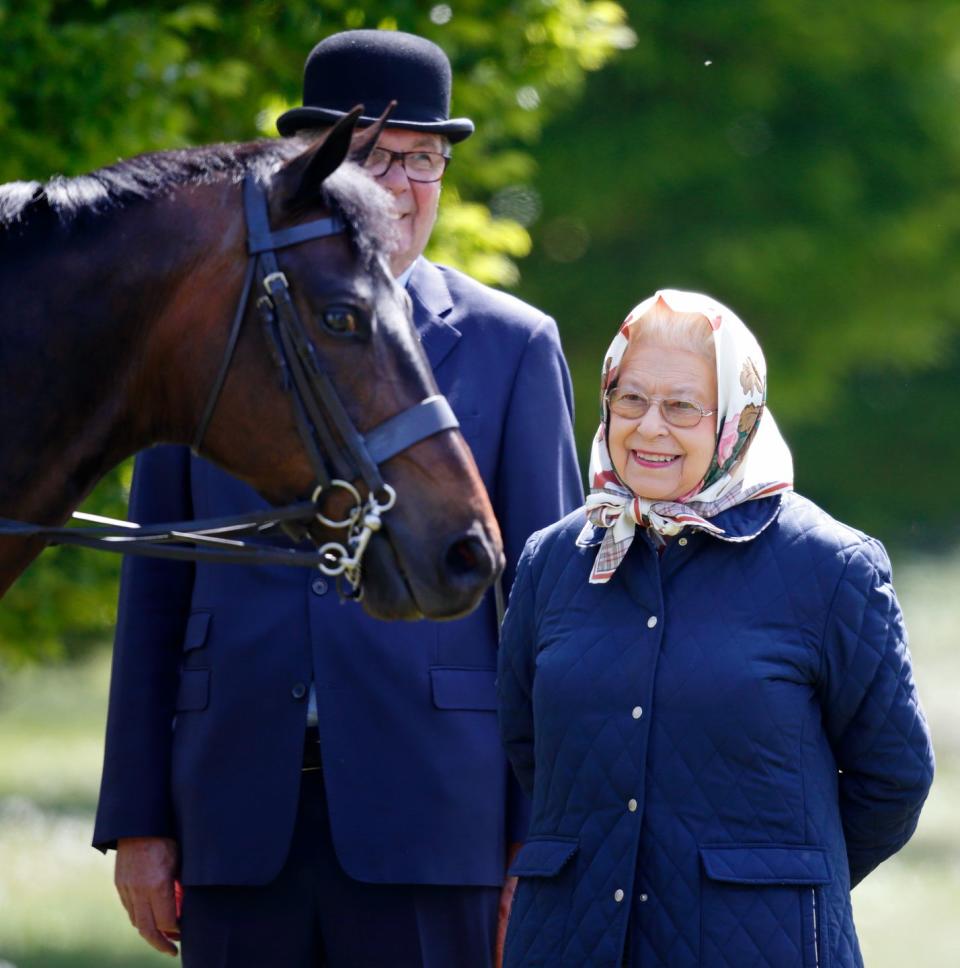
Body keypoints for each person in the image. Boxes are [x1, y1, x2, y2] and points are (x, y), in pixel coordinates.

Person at [93, 29, 583, 968]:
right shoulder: (201, 335)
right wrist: (138, 822)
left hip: (440, 818)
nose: (400, 186)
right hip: (231, 814)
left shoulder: (512, 344)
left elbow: (545, 613)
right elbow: (155, 583)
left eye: (424, 160)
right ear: (308, 170)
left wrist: (540, 838)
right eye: (371, 158)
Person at [497, 289, 934, 967]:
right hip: (567, 941)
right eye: (631, 400)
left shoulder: (830, 566)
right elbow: (528, 746)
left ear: (736, 417)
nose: (649, 429)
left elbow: (894, 777)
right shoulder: (553, 558)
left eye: (682, 408)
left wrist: (780, 883)